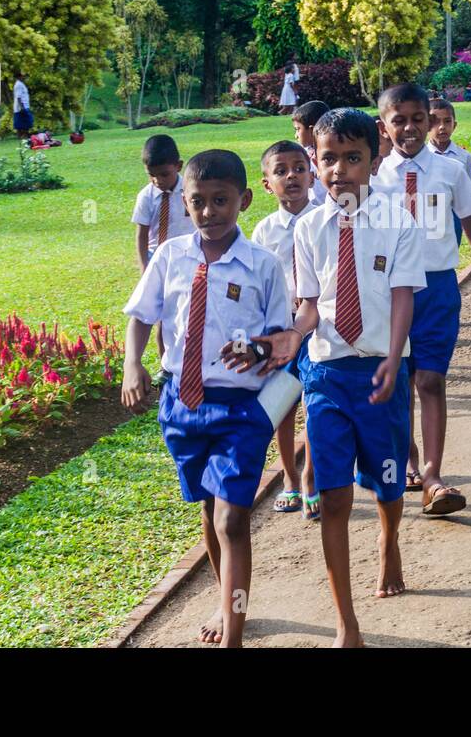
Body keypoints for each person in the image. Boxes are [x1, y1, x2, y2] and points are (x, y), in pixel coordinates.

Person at [121, 149, 294, 647]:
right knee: (206, 506)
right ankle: (226, 602)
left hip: (240, 409)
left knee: (231, 516)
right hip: (182, 403)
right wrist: (134, 363)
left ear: (243, 200)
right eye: (198, 202)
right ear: (185, 203)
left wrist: (259, 349)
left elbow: (279, 338)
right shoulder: (171, 256)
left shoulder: (261, 266)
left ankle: (234, 632)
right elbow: (142, 316)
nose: (209, 212)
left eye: (221, 201)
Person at [273, 107, 425, 646]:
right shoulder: (308, 229)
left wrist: (394, 356)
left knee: (387, 485)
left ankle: (389, 541)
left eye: (352, 157)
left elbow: (404, 296)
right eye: (328, 158)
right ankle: (347, 622)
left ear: (374, 157)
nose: (339, 169)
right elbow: (310, 306)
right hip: (326, 376)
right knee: (334, 498)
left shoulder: (399, 222)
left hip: (382, 374)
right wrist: (292, 336)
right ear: (315, 162)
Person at [373, 84, 471, 516]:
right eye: (398, 120)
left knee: (430, 380)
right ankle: (407, 462)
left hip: (438, 287)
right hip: (388, 292)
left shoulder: (449, 171)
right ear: (383, 126)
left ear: (429, 119)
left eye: (417, 119)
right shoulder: (373, 178)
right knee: (398, 383)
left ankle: (433, 475)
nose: (409, 128)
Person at [251, 140, 319, 518]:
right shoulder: (263, 232)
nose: (291, 176)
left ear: (311, 175)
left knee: (315, 403)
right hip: (279, 331)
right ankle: (289, 478)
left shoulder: (327, 218)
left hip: (318, 328)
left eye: (298, 168)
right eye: (280, 171)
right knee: (282, 406)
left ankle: (311, 474)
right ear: (266, 184)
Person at [133, 135, 195, 376]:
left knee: (188, 311)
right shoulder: (146, 196)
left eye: (164, 174)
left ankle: (189, 359)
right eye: (152, 175)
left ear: (178, 166)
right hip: (157, 260)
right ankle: (165, 365)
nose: (158, 180)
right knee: (162, 315)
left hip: (187, 258)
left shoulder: (190, 191)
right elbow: (141, 234)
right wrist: (143, 268)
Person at [427, 96, 471, 245]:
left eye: (447, 121)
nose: (442, 127)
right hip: (427, 211)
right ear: (426, 125)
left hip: (454, 212)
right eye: (435, 121)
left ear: (454, 125)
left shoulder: (464, 157)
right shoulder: (421, 157)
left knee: (452, 250)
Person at [292, 100, 331, 206]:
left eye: (297, 129)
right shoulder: (301, 154)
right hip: (311, 209)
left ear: (312, 130)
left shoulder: (334, 154)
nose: (296, 135)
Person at [12, 73, 33, 140]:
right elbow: (18, 97)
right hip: (21, 107)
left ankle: (24, 136)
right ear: (19, 76)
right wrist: (22, 107)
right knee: (22, 123)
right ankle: (22, 137)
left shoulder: (20, 84)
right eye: (23, 76)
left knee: (25, 122)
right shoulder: (18, 85)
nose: (24, 77)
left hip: (24, 106)